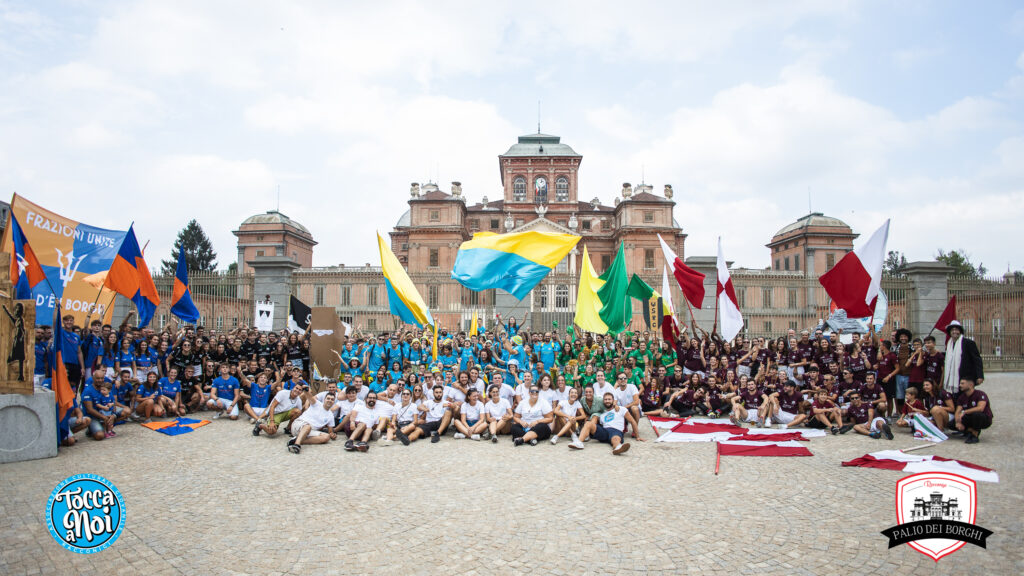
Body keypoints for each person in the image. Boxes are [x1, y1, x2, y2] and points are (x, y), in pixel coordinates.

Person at [571, 392, 637, 454]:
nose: (607, 401)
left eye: (609, 399)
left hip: (616, 430)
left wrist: (637, 436)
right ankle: (579, 442)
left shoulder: (621, 409)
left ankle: (617, 448)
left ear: (613, 400)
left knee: (615, 439)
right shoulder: (602, 414)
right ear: (603, 401)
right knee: (588, 423)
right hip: (604, 431)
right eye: (605, 399)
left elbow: (632, 421)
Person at [287, 390, 337, 454]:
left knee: (326, 437)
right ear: (324, 399)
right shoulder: (317, 403)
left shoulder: (331, 415)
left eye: (332, 399)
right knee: (307, 426)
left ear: (334, 402)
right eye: (328, 398)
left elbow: (330, 432)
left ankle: (295, 440)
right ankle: (296, 445)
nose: (330, 400)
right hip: (299, 424)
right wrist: (305, 390)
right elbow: (309, 396)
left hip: (309, 432)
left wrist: (332, 435)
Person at [942, 321, 984, 395]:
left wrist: (980, 376)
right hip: (952, 378)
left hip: (965, 376)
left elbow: (977, 360)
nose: (954, 332)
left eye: (956, 330)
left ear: (960, 331)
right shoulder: (949, 345)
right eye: (952, 330)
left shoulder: (968, 343)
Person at [953, 377, 992, 444]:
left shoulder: (980, 394)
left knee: (976, 414)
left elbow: (980, 408)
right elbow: (958, 411)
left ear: (970, 385)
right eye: (960, 383)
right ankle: (970, 430)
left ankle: (975, 435)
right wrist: (957, 422)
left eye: (962, 383)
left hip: (983, 418)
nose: (960, 385)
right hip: (970, 418)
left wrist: (965, 412)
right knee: (951, 424)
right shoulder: (962, 397)